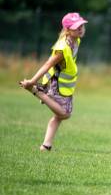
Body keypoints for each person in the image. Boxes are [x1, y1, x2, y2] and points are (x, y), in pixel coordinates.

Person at [19, 12, 88, 152]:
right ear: (68, 30)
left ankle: (46, 145)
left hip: (65, 85)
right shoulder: (62, 48)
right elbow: (47, 65)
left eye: (81, 25)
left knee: (59, 117)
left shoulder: (76, 40)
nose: (80, 29)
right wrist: (32, 82)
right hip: (56, 83)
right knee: (65, 114)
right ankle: (35, 91)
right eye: (76, 27)